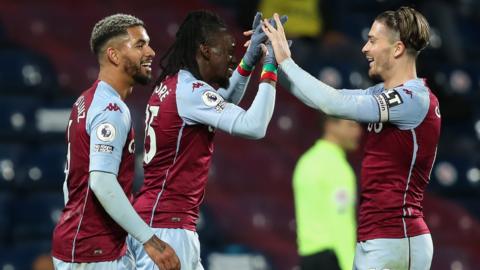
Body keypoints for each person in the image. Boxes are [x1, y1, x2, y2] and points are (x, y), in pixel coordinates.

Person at [263, 6, 440, 270]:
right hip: (379, 238)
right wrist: (271, 64)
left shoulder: (413, 98)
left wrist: (287, 60)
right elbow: (321, 98)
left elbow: (333, 103)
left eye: (372, 40)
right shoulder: (383, 94)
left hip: (398, 238)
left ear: (398, 49)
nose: (364, 49)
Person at [127, 10, 286, 270]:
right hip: (168, 229)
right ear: (205, 50)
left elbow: (222, 102)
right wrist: (271, 66)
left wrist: (250, 58)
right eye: (227, 51)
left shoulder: (174, 83)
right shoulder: (191, 91)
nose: (231, 59)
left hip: (164, 223)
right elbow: (255, 126)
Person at [51, 14, 180, 270]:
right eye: (140, 45)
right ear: (114, 55)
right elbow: (101, 181)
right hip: (93, 252)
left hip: (89, 245)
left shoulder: (87, 101)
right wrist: (150, 241)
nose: (152, 52)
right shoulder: (109, 109)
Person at [293, 116, 360, 270]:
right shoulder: (338, 168)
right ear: (330, 126)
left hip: (307, 258)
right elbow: (341, 222)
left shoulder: (305, 161)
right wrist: (350, 265)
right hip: (332, 259)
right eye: (351, 125)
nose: (358, 131)